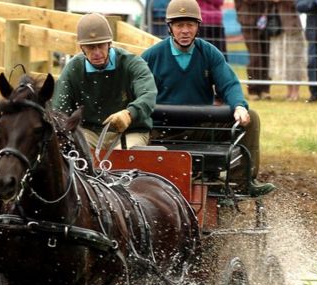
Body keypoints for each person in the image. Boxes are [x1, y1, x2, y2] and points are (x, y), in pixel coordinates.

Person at [141, 0, 275, 197]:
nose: (185, 31)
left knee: (251, 118)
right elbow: (136, 90)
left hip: (202, 128)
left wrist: (239, 106)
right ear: (170, 27)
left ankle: (241, 183)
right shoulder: (152, 56)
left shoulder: (209, 53)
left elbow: (229, 83)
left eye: (190, 25)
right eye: (179, 25)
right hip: (163, 132)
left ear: (198, 27)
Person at [52, 13, 157, 150]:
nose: (96, 52)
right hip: (89, 132)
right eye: (90, 47)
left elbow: (148, 95)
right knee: (75, 155)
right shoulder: (73, 69)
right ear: (81, 47)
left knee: (122, 161)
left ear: (109, 44)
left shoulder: (132, 63)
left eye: (100, 45)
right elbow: (59, 110)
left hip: (131, 131)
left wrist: (129, 113)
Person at [269, 0, 306, 101]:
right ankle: (289, 91)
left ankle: (295, 91)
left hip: (293, 27)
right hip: (278, 27)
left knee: (295, 60)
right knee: (284, 61)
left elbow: (298, 4)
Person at [234, 0, 271, 100]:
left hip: (264, 21)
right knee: (255, 57)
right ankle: (253, 89)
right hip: (248, 22)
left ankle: (265, 89)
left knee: (265, 57)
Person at [294, 0, 317, 102]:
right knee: (313, 63)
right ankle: (315, 94)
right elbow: (299, 5)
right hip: (314, 35)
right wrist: (316, 3)